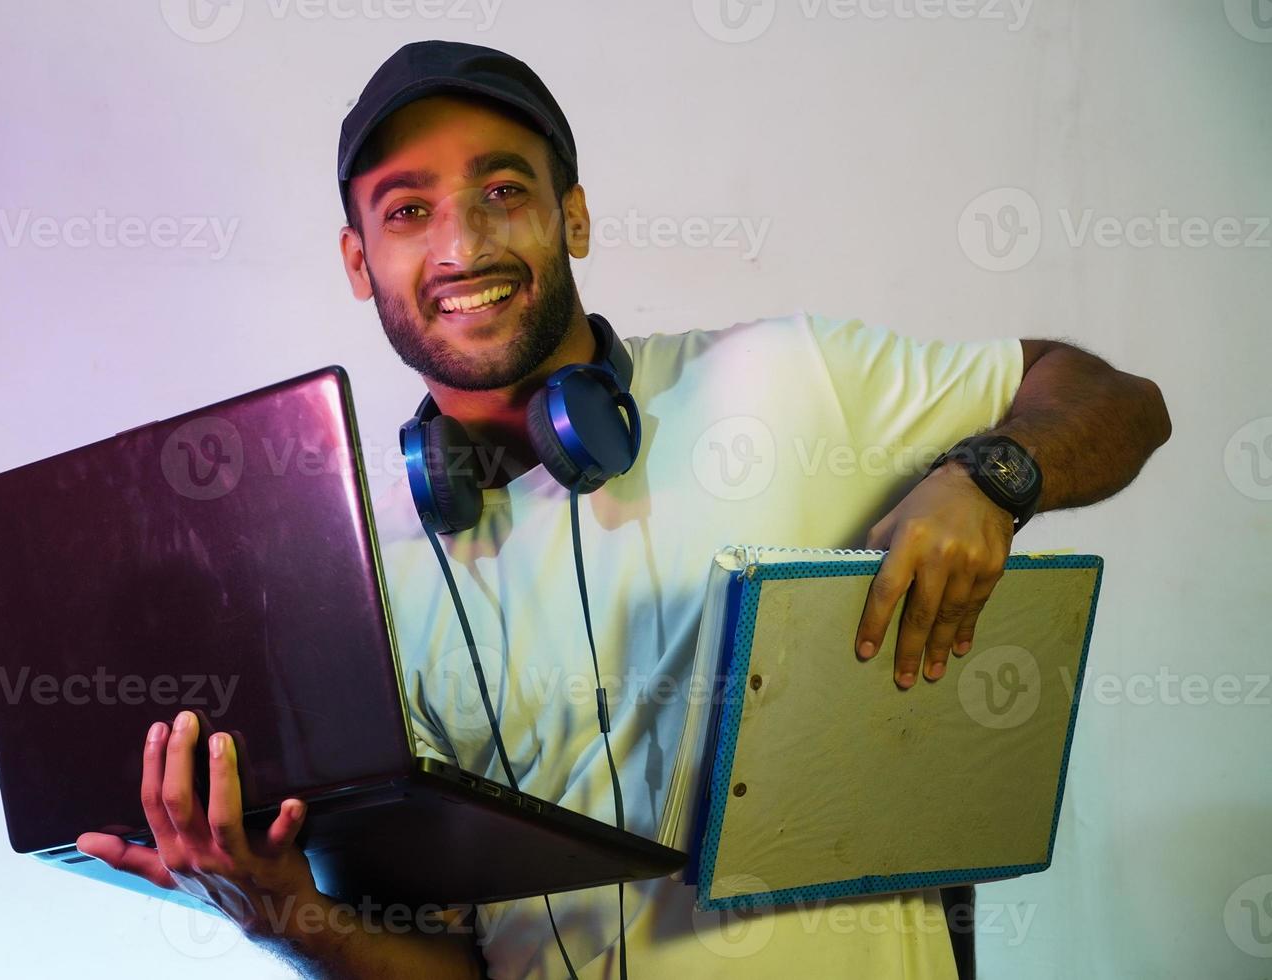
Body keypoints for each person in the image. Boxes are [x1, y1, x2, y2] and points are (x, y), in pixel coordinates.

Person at [78, 39, 1171, 979]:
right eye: (409, 211)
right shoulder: (364, 575)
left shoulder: (788, 380)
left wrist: (989, 477)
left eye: (504, 189)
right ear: (360, 262)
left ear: (576, 213)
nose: (463, 246)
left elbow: (1111, 396)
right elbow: (457, 957)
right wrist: (287, 916)